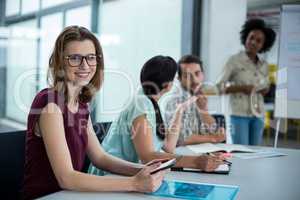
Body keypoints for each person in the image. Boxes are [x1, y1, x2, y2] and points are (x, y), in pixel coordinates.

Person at [22, 26, 166, 200]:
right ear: (60, 62)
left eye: (91, 57)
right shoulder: (50, 104)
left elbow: (100, 157)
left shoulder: (81, 104)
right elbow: (66, 178)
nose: (85, 65)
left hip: (70, 196)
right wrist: (134, 183)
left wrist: (143, 169)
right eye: (74, 58)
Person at [88, 55, 224, 176]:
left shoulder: (150, 100)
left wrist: (179, 111)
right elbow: (148, 156)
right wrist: (196, 162)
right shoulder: (141, 105)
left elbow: (169, 146)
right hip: (111, 175)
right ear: (169, 85)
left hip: (129, 174)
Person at [216, 18, 276, 145]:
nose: (253, 42)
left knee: (256, 152)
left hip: (258, 114)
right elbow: (219, 87)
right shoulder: (233, 61)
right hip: (238, 114)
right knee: (241, 152)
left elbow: (265, 85)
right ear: (245, 38)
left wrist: (266, 89)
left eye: (259, 41)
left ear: (263, 45)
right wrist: (241, 88)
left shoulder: (264, 65)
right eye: (251, 37)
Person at [163, 55, 226, 146]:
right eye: (187, 76)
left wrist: (203, 110)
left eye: (197, 73)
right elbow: (181, 139)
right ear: (179, 79)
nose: (194, 80)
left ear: (203, 74)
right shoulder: (173, 101)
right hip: (182, 154)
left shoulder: (199, 95)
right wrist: (214, 138)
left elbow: (213, 130)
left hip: (202, 151)